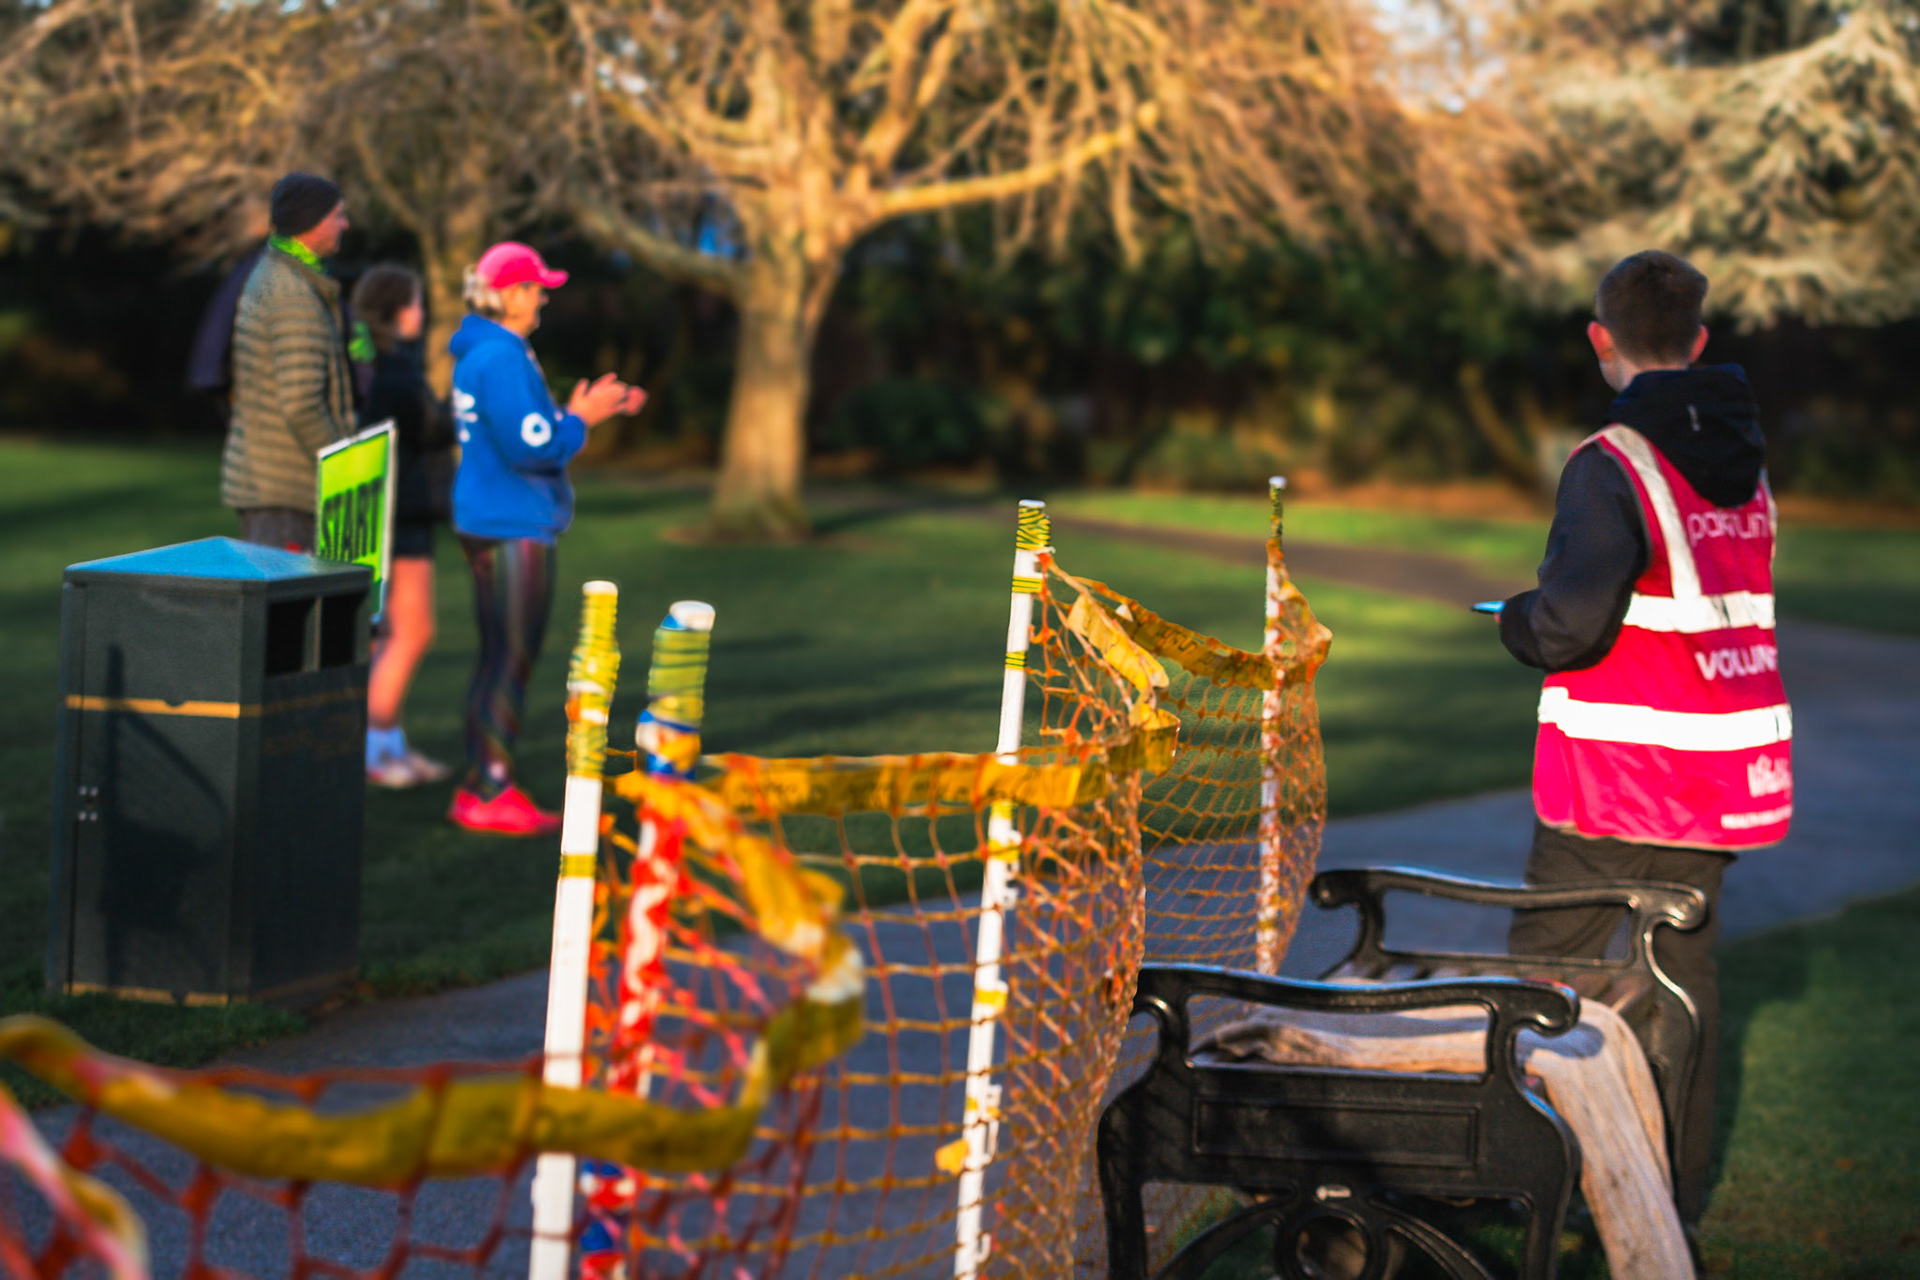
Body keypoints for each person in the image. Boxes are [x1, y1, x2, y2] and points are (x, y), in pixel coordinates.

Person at [1498, 250, 1792, 1231]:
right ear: (1699, 341)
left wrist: (1515, 619)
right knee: (1680, 980)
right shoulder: (1748, 473)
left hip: (1613, 777)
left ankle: (1541, 1187)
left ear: (1601, 340)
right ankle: (1668, 1197)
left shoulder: (1610, 462)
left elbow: (1571, 623)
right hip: (1719, 780)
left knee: (1554, 977)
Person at [447, 242, 644, 835]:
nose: (543, 297)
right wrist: (582, 420)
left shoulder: (487, 348)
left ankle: (481, 782)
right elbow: (533, 446)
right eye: (534, 288)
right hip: (512, 524)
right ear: (508, 295)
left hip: (492, 518)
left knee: (498, 656)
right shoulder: (500, 354)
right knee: (510, 657)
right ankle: (489, 787)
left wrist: (579, 412)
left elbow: (527, 429)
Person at [349, 265, 456, 788]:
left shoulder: (377, 366)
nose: (422, 312)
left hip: (383, 516)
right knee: (413, 631)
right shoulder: (395, 372)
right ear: (395, 312)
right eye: (415, 303)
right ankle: (372, 749)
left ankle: (387, 744)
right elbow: (432, 428)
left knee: (383, 635)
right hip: (402, 517)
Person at [223, 173, 356, 551]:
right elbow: (301, 404)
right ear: (310, 223)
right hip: (285, 493)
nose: (345, 224)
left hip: (274, 487)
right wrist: (345, 466)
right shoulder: (292, 294)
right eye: (338, 215)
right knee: (287, 606)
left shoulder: (284, 277)